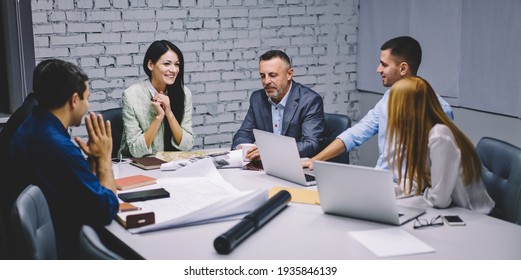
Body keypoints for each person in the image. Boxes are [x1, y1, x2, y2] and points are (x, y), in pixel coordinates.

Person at [6, 59, 119, 259]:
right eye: (87, 98)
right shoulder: (55, 144)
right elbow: (106, 210)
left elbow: (71, 181)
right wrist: (104, 159)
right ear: (74, 100)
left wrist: (92, 159)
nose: (88, 105)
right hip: (67, 247)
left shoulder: (35, 123)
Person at [302, 36, 453, 176]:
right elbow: (355, 133)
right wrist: (314, 160)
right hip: (382, 180)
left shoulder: (439, 109)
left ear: (403, 68)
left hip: (414, 192)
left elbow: (440, 166)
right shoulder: (388, 98)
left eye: (384, 64)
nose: (378, 69)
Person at [387, 76, 494, 213]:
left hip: (474, 216)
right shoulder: (418, 137)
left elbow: (440, 200)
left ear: (407, 110)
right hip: (453, 212)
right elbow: (415, 183)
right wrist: (386, 191)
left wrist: (425, 191)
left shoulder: (439, 136)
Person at [231, 50, 324, 160]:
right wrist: (241, 148)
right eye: (262, 76)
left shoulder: (310, 100)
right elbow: (244, 134)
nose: (266, 81)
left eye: (272, 75)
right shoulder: (257, 99)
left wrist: (270, 152)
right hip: (267, 167)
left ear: (289, 74)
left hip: (297, 166)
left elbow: (311, 144)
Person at [120, 40, 195, 158]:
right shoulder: (131, 95)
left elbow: (187, 145)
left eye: (177, 64)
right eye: (167, 64)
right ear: (151, 65)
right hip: (139, 165)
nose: (174, 70)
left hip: (173, 164)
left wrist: (169, 113)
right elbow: (136, 151)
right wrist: (159, 117)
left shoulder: (184, 93)